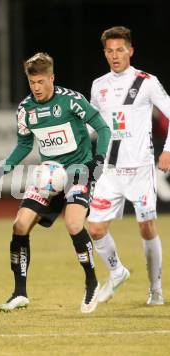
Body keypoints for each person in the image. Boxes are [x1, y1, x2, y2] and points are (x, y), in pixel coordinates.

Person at [0, 52, 111, 314]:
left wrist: (99, 160)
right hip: (48, 177)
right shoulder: (26, 109)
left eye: (40, 81)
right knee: (20, 225)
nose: (36, 87)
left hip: (78, 173)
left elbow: (103, 128)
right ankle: (20, 293)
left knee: (73, 223)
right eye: (31, 82)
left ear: (52, 78)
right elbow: (24, 145)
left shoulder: (72, 101)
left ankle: (92, 282)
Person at [88, 26, 170, 305]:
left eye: (120, 49)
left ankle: (155, 289)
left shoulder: (146, 82)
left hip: (140, 169)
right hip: (110, 171)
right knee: (95, 229)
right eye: (109, 51)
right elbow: (93, 126)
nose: (115, 55)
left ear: (130, 51)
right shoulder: (98, 85)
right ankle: (117, 271)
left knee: (146, 227)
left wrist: (168, 150)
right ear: (104, 54)